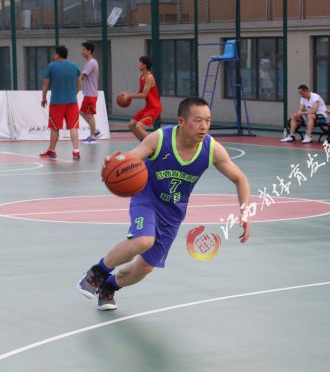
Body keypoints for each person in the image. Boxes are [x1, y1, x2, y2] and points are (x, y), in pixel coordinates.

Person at [77, 97, 251, 311]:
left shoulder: (211, 149)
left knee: (145, 267)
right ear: (182, 121)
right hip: (147, 198)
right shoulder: (160, 138)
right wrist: (115, 162)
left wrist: (245, 212)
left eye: (207, 120)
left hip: (173, 212)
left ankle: (109, 287)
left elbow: (240, 179)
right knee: (143, 241)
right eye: (198, 120)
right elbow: (132, 157)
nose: (204, 126)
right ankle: (97, 272)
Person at [40, 45, 82, 160]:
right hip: (72, 102)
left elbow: (45, 83)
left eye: (55, 53)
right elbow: (80, 82)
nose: (54, 55)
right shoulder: (74, 66)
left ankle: (52, 150)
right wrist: (75, 93)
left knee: (55, 128)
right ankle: (76, 152)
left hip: (56, 103)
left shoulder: (51, 66)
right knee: (73, 127)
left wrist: (43, 98)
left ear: (57, 55)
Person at [122, 56, 163, 141]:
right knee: (131, 125)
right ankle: (143, 142)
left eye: (140, 62)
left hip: (155, 108)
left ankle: (154, 145)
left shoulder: (149, 77)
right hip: (148, 108)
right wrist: (127, 95)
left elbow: (144, 95)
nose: (138, 64)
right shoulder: (141, 77)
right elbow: (140, 93)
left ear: (144, 65)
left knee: (139, 126)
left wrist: (129, 96)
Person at [79, 42, 101, 144]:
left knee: (89, 115)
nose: (82, 51)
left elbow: (82, 77)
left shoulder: (92, 62)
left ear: (89, 51)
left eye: (84, 50)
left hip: (91, 94)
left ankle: (93, 137)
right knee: (82, 113)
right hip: (88, 93)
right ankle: (95, 131)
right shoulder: (88, 62)